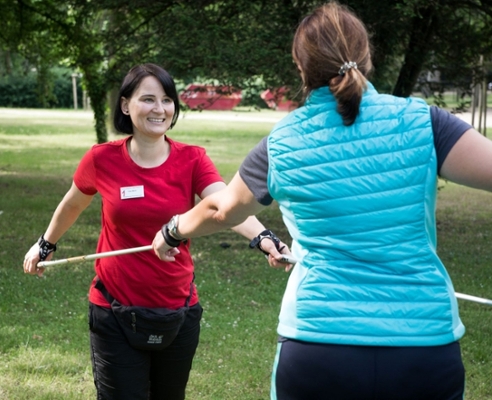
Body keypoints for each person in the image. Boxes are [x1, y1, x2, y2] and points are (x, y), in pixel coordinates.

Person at [152, 3, 492, 399]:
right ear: (366, 57)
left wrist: (173, 230)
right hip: (422, 350)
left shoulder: (283, 142)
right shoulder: (424, 122)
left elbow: (221, 209)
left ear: (301, 67)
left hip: (319, 347)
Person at [23, 63, 281, 400]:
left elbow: (225, 205)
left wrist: (263, 238)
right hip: (113, 309)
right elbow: (72, 204)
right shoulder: (102, 159)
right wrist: (45, 244)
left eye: (167, 100)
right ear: (126, 105)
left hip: (178, 309)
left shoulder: (192, 159)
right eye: (148, 99)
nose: (159, 109)